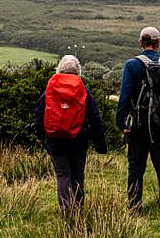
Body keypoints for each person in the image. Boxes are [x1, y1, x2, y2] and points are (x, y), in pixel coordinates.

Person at [115, 26, 160, 218]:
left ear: (140, 43)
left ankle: (135, 209)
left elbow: (125, 96)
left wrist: (121, 123)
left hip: (138, 126)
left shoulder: (131, 65)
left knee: (135, 169)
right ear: (159, 43)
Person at [34, 55, 108, 215]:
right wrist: (100, 145)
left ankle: (67, 212)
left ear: (59, 69)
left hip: (55, 141)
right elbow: (95, 117)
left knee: (63, 175)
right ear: (78, 71)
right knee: (78, 175)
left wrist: (40, 136)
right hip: (78, 141)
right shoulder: (83, 90)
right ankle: (78, 210)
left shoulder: (50, 88)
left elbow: (39, 112)